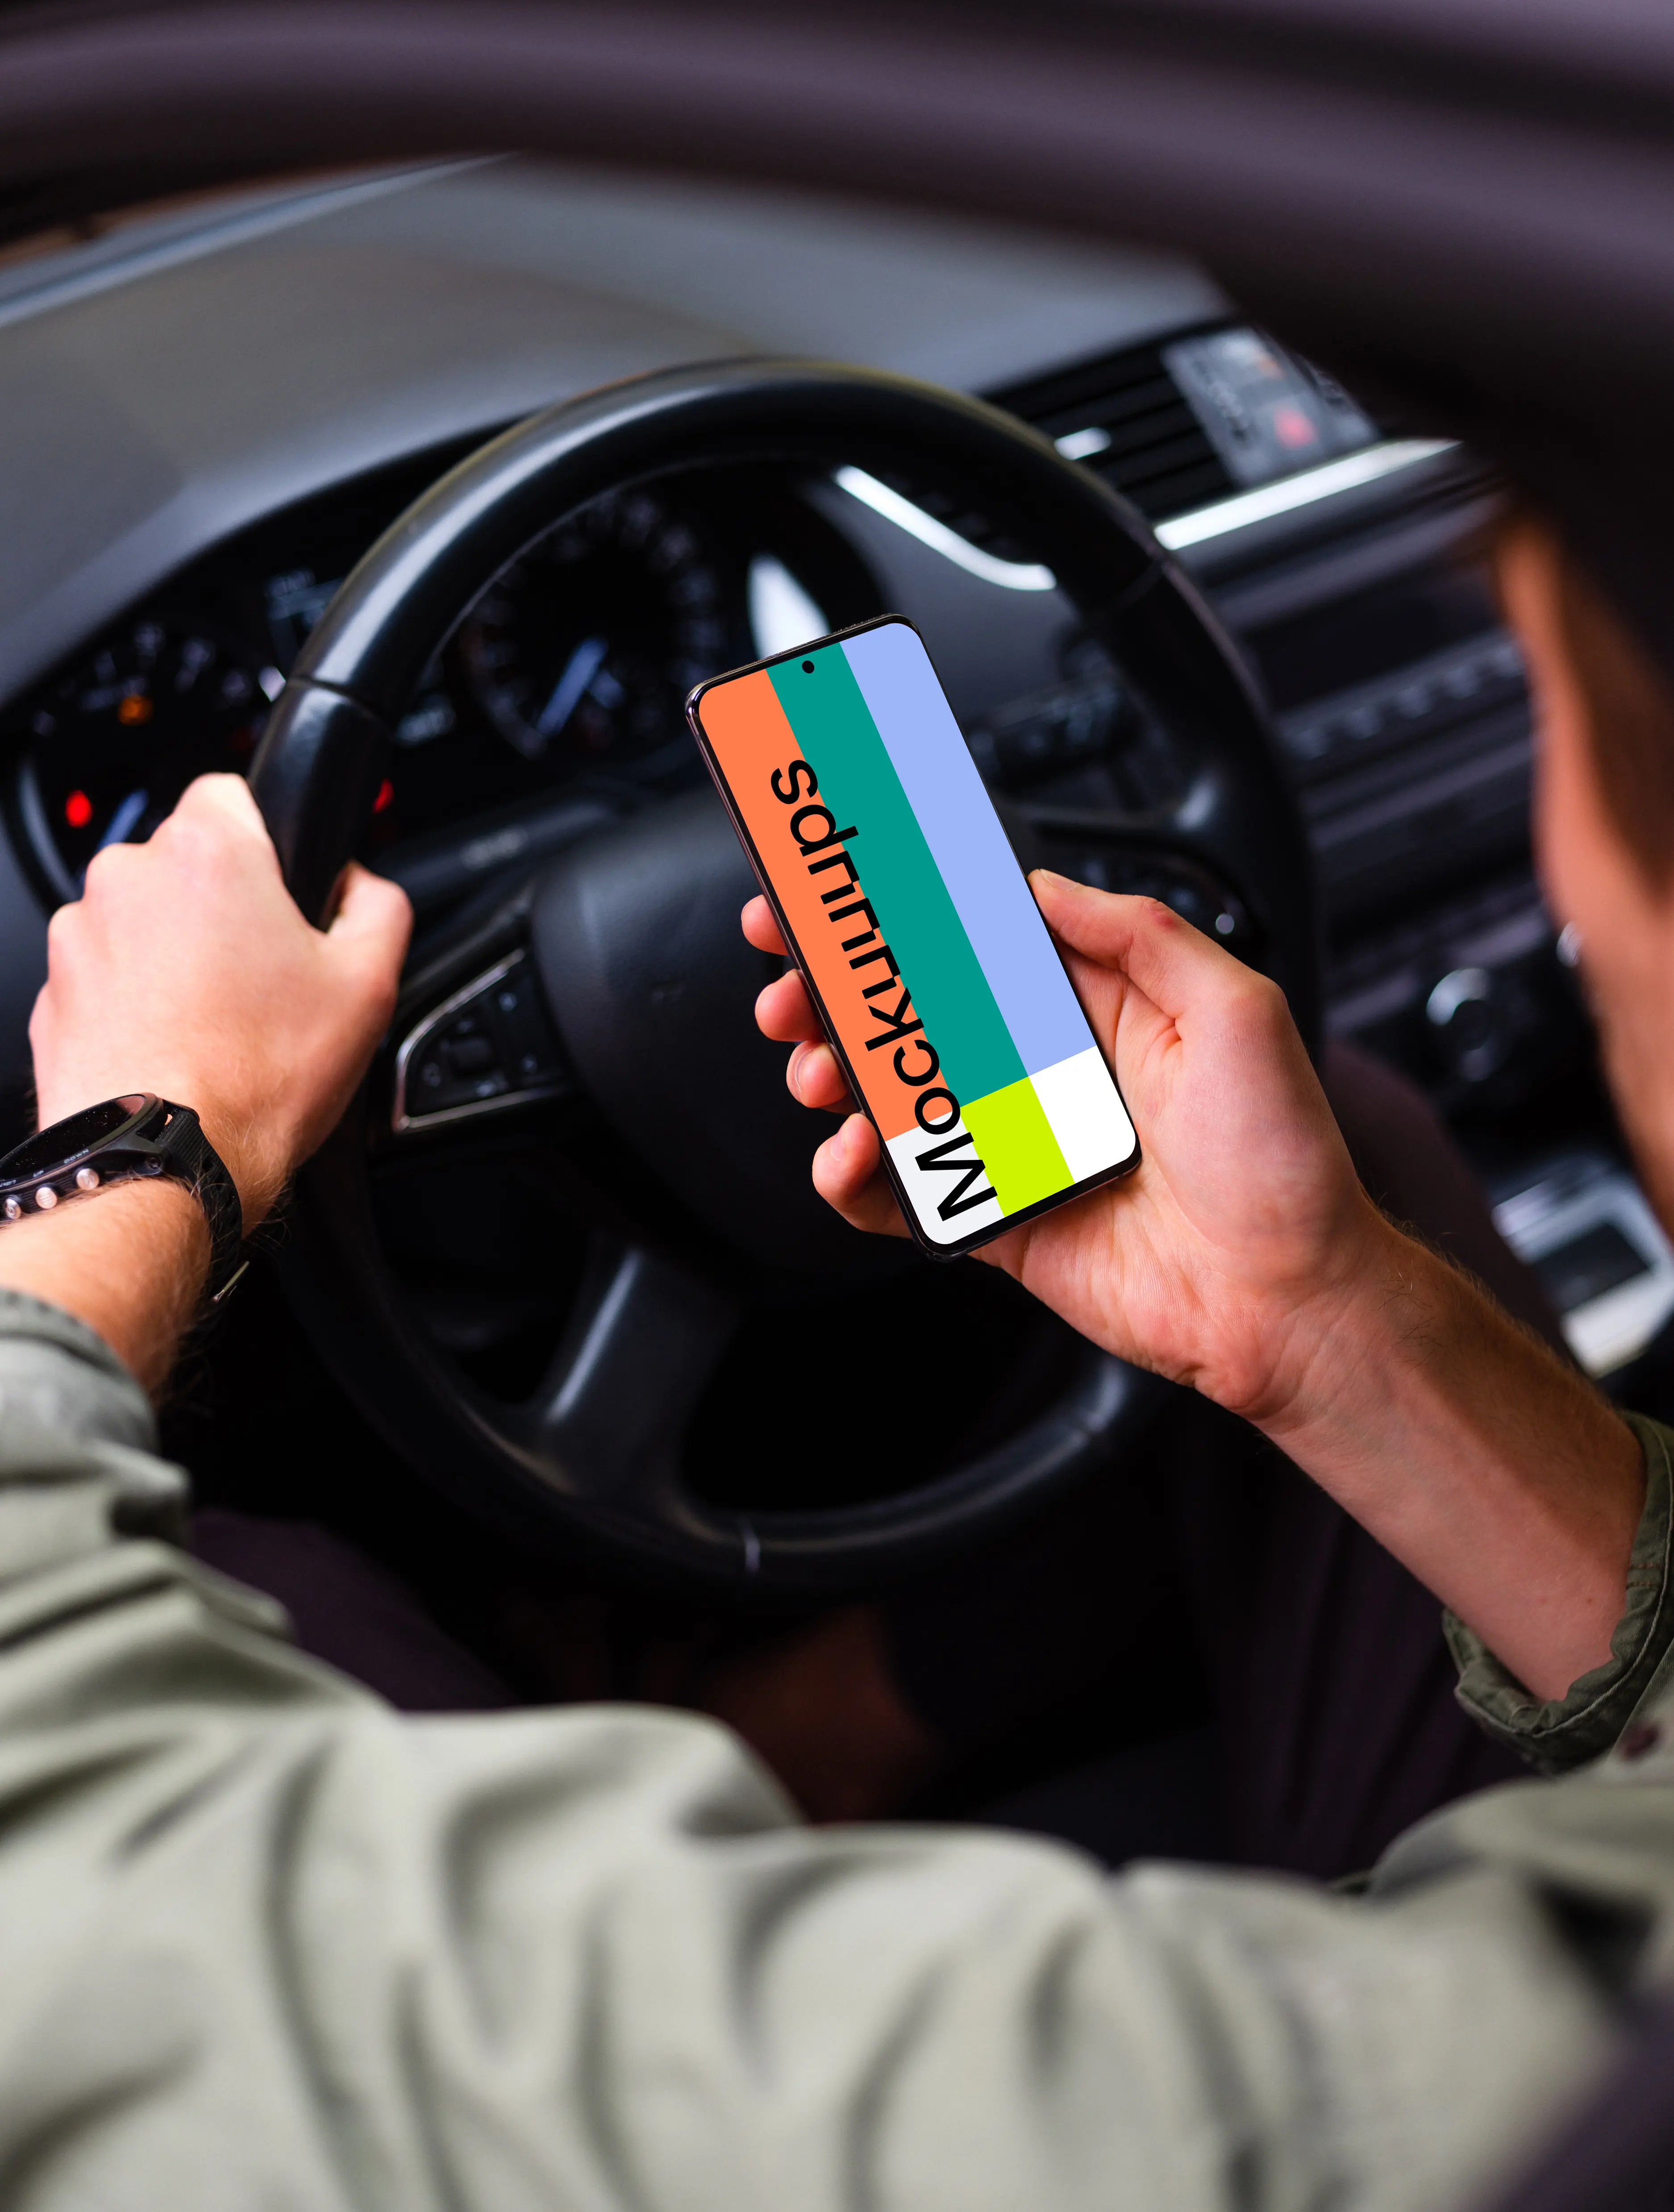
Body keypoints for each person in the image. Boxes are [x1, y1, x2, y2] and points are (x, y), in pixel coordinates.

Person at [0, 516, 1672, 2209]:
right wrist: (1317, 1324)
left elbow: (57, 1813)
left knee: (252, 1562)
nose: (1560, 877)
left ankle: (788, 1741)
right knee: (1351, 1162)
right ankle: (823, 1721)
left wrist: (155, 1125)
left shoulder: (1255, 2108)